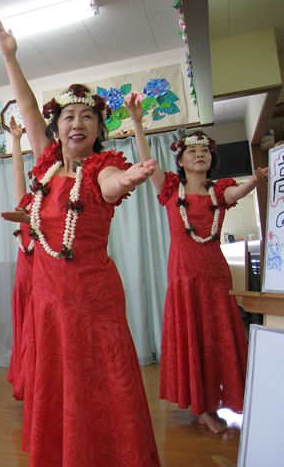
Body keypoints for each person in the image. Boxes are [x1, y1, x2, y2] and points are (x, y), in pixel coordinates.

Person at [0, 16, 161, 466]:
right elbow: (28, 107)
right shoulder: (46, 168)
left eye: (88, 116)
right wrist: (10, 56)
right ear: (57, 129)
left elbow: (110, 185)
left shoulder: (102, 167)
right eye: (68, 116)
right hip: (49, 301)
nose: (77, 123)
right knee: (60, 388)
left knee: (103, 386)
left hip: (92, 300)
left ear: (99, 129)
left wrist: (127, 178)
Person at [126, 93, 267, 433]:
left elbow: (236, 194)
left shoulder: (219, 191)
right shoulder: (171, 190)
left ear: (212, 159)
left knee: (219, 337)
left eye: (205, 151)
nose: (200, 154)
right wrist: (138, 124)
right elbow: (148, 162)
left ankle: (223, 401)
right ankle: (203, 408)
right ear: (180, 160)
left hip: (215, 276)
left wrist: (254, 180)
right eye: (192, 151)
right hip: (184, 277)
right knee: (194, 339)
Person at [4, 116, 35, 402]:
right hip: (25, 278)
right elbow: (18, 173)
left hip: (48, 278)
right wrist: (16, 140)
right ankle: (29, 382)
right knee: (27, 333)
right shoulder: (27, 203)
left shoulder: (63, 205)